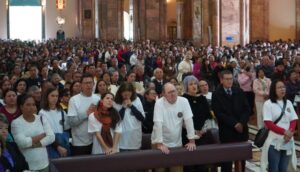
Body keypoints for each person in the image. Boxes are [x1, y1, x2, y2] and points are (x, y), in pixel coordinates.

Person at [151, 82, 199, 172]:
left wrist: (192, 140)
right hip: (159, 142)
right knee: (160, 170)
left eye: (174, 91)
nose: (173, 94)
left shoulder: (184, 101)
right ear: (164, 95)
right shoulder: (159, 103)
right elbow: (158, 124)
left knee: (177, 170)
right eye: (169, 92)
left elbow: (189, 121)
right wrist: (160, 144)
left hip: (176, 143)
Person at [212, 70, 251, 172]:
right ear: (221, 80)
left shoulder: (239, 91)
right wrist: (234, 124)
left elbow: (247, 109)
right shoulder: (216, 94)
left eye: (231, 79)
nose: (230, 81)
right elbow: (219, 113)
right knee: (227, 161)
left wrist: (241, 123)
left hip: (241, 130)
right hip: (227, 131)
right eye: (227, 79)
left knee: (242, 160)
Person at [260, 80, 298, 172]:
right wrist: (284, 132)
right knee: (274, 168)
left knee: (283, 169)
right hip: (274, 141)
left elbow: (293, 119)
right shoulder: (268, 104)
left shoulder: (288, 102)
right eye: (279, 87)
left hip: (287, 141)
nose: (282, 89)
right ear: (273, 89)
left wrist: (290, 133)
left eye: (283, 87)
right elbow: (268, 123)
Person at [11, 94, 55, 171]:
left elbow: (51, 137)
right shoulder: (16, 123)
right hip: (27, 166)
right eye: (28, 105)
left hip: (44, 163)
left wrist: (35, 144)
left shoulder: (41, 118)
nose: (31, 107)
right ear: (21, 107)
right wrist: (42, 136)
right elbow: (22, 143)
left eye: (33, 104)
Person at [182, 76, 212, 172]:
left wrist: (203, 130)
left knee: (202, 163)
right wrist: (193, 131)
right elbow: (181, 120)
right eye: (190, 84)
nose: (194, 86)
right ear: (186, 86)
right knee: (189, 163)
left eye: (195, 83)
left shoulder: (202, 98)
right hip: (187, 135)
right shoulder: (183, 99)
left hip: (202, 135)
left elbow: (208, 117)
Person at [68, 73, 100, 155]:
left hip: (96, 140)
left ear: (93, 84)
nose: (88, 85)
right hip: (79, 143)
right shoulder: (74, 100)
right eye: (86, 83)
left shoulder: (98, 98)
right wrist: (87, 114)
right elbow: (71, 122)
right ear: (81, 85)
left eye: (90, 83)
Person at [39, 87, 71, 158]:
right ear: (47, 97)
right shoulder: (42, 113)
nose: (55, 98)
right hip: (51, 145)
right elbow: (45, 133)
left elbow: (67, 127)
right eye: (52, 96)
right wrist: (58, 147)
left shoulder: (62, 111)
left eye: (56, 96)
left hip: (63, 142)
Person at [114, 82, 145, 151]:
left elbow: (142, 118)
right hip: (121, 139)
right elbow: (116, 120)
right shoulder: (116, 102)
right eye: (124, 92)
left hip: (134, 138)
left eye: (129, 92)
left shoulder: (137, 100)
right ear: (120, 93)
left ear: (132, 92)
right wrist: (123, 108)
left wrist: (131, 106)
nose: (126, 95)